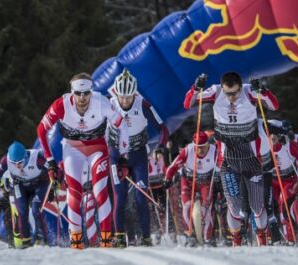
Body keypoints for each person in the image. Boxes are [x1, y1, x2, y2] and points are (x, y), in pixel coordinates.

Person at [184, 72, 278, 246]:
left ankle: (262, 237)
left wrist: (263, 91)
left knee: (257, 207)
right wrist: (196, 88)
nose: (231, 98)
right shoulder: (216, 92)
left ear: (240, 88)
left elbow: (274, 105)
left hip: (251, 160)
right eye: (228, 93)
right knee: (234, 207)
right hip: (229, 161)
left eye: (234, 93)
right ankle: (236, 239)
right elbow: (188, 103)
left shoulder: (249, 92)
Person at [37, 72, 118, 248]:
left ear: (91, 91)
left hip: (98, 148)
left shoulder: (101, 101)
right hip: (73, 149)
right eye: (78, 93)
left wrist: (122, 152)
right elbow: (41, 130)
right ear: (72, 92)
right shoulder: (61, 105)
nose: (82, 98)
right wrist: (50, 160)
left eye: (86, 93)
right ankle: (76, 240)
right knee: (75, 193)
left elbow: (119, 123)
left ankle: (106, 239)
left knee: (100, 191)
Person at [108, 70, 169, 248]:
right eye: (122, 97)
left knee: (141, 197)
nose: (125, 101)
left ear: (135, 92)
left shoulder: (143, 104)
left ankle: (146, 237)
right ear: (116, 93)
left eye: (129, 97)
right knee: (120, 198)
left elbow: (162, 129)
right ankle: (119, 236)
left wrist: (161, 148)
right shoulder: (109, 105)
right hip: (117, 156)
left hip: (138, 154)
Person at [164, 132, 218, 246]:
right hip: (188, 181)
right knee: (187, 207)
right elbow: (174, 166)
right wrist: (168, 178)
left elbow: (223, 164)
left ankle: (208, 238)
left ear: (208, 144)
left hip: (206, 182)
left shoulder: (214, 151)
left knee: (206, 210)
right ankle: (190, 237)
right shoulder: (188, 151)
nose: (201, 150)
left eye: (204, 147)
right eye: (198, 148)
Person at [0, 141, 47, 248]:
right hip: (19, 185)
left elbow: (55, 170)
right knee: (21, 211)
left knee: (35, 208)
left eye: (20, 162)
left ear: (25, 156)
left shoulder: (38, 158)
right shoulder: (5, 160)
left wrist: (56, 184)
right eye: (14, 162)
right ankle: (25, 240)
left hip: (39, 184)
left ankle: (41, 238)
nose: (17, 165)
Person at [267, 121, 298, 244]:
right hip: (273, 181)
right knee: (272, 208)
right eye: (269, 134)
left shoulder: (289, 146)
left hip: (289, 180)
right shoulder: (264, 146)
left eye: (275, 134)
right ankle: (274, 236)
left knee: (284, 204)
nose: (272, 137)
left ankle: (294, 235)